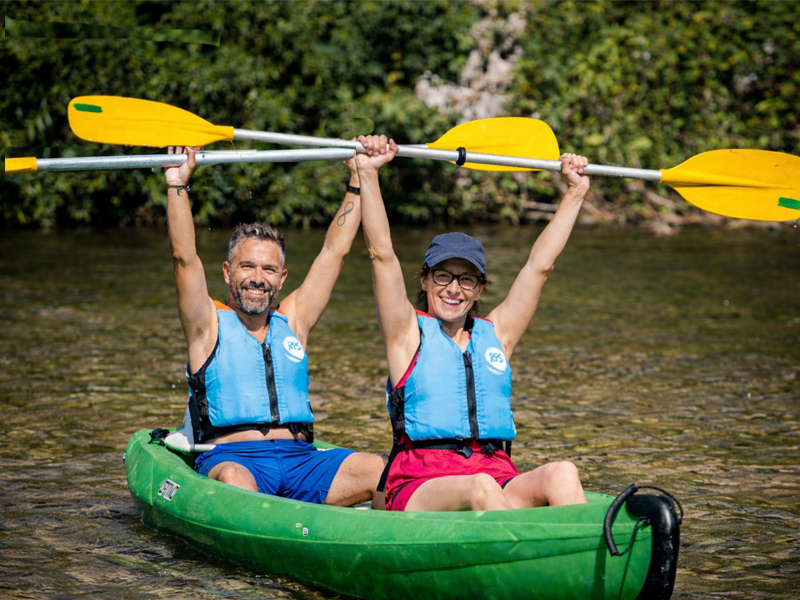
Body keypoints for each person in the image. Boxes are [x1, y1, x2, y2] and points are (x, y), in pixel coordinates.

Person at [354, 134, 590, 512]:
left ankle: (587, 564)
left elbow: (538, 267)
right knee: (479, 487)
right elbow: (382, 255)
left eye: (466, 280)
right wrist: (368, 173)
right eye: (443, 276)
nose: (453, 289)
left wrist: (575, 192)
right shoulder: (406, 335)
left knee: (562, 472)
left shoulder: (496, 335)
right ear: (425, 280)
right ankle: (524, 565)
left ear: (479, 289)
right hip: (421, 482)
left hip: (495, 474)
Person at [163, 145, 385, 508]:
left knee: (383, 470)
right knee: (235, 480)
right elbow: (184, 258)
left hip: (302, 461)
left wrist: (357, 180)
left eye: (268, 270)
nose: (257, 279)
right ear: (227, 272)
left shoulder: (293, 320)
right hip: (236, 460)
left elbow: (334, 252)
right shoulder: (206, 324)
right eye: (247, 267)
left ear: (281, 278)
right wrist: (177, 185)